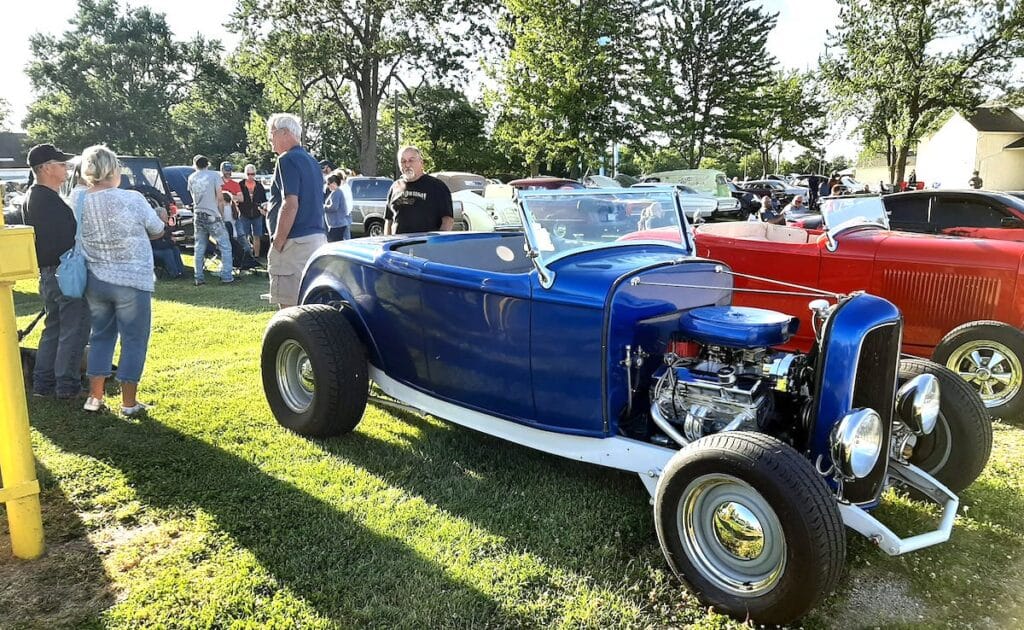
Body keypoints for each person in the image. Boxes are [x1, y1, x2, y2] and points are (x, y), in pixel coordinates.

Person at [73, 144, 166, 415]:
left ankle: (95, 397)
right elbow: (157, 230)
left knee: (101, 337)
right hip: (131, 278)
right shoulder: (132, 199)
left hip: (95, 277)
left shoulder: (78, 199)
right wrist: (160, 217)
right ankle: (128, 402)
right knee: (134, 340)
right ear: (114, 170)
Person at [22, 142, 90, 399]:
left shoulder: (34, 196)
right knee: (74, 329)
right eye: (61, 164)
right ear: (47, 168)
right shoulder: (48, 200)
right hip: (66, 271)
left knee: (54, 328)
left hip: (49, 272)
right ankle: (67, 386)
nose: (66, 168)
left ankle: (43, 384)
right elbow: (68, 238)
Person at [266, 113, 328, 308]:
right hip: (316, 239)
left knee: (289, 311)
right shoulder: (312, 162)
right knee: (311, 306)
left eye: (271, 135)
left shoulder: (286, 159)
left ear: (284, 133)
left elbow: (291, 203)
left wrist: (278, 241)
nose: (270, 141)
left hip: (294, 243)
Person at [384, 146, 454, 235]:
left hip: (425, 246)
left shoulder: (437, 186)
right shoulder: (395, 187)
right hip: (397, 246)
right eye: (403, 161)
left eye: (411, 160)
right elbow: (388, 220)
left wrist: (436, 243)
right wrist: (387, 241)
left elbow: (448, 220)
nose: (407, 165)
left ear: (421, 162)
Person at [188, 155, 233, 285]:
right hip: (212, 214)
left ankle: (199, 277)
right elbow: (220, 198)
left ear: (195, 165)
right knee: (225, 245)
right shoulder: (214, 176)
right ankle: (226, 276)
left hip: (198, 214)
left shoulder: (191, 178)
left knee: (199, 247)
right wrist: (221, 214)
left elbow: (193, 197)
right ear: (207, 164)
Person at [237, 163, 267, 259]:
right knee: (243, 236)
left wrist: (263, 209)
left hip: (257, 214)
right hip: (244, 214)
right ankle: (245, 256)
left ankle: (256, 256)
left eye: (252, 174)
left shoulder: (259, 186)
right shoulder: (240, 185)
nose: (250, 176)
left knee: (257, 236)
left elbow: (264, 200)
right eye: (248, 174)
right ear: (245, 173)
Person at [150, 205, 185, 279]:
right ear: (159, 216)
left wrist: (173, 241)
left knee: (175, 249)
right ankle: (174, 274)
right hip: (154, 250)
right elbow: (158, 245)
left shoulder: (166, 227)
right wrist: (171, 242)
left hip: (163, 247)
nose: (167, 216)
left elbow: (168, 240)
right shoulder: (154, 229)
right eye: (164, 214)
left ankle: (181, 272)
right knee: (168, 252)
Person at [324, 172, 352, 241]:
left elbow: (334, 207)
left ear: (334, 183)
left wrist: (323, 207)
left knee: (333, 244)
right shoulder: (336, 192)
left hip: (337, 224)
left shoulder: (337, 192)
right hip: (338, 224)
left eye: (328, 183)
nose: (327, 186)